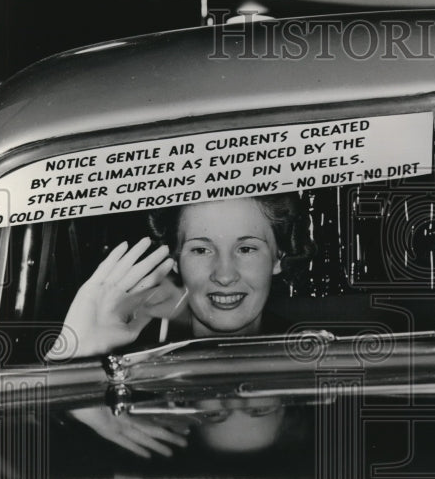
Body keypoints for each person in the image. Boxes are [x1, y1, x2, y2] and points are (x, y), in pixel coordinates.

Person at [48, 194, 313, 457]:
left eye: (246, 249)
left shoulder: (130, 377)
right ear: (176, 260)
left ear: (278, 258)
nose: (224, 275)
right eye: (201, 249)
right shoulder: (318, 358)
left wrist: (71, 375)